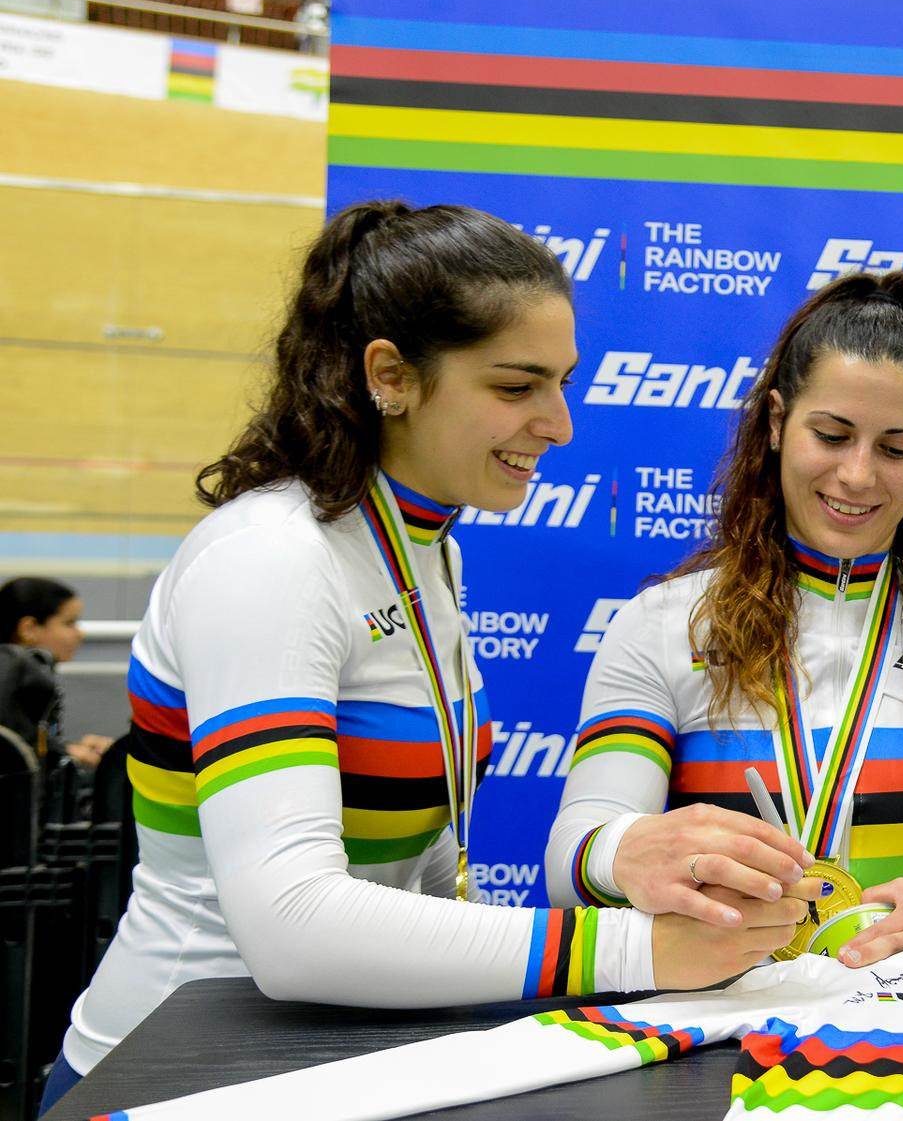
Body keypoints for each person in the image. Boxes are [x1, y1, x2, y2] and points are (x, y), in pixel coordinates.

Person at [43, 201, 805, 1117]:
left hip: (332, 1063)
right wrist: (636, 948)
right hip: (176, 1069)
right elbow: (289, 927)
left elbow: (415, 872)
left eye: (562, 382)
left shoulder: (424, 550)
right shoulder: (272, 557)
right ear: (391, 376)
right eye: (517, 386)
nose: (559, 424)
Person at [547, 271, 903, 970]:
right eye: (831, 434)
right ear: (775, 422)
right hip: (717, 1019)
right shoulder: (665, 625)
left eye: (895, 448)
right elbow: (571, 864)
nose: (858, 475)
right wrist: (632, 849)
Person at [0, 577, 114, 768]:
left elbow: (29, 746)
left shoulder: (26, 677)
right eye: (69, 623)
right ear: (28, 628)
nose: (80, 633)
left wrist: (67, 750)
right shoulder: (21, 674)